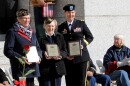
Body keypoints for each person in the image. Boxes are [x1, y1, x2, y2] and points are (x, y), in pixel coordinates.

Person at [57, 4, 94, 86]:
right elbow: (59, 43)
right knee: (70, 82)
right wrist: (65, 55)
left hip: (81, 58)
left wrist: (83, 45)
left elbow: (90, 37)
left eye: (72, 12)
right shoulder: (61, 27)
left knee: (81, 82)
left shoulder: (81, 24)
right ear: (65, 13)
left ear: (75, 12)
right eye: (69, 13)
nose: (71, 15)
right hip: (68, 59)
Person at [4, 8, 42, 86]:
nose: (27, 20)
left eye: (28, 18)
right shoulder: (12, 32)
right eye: (24, 18)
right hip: (21, 71)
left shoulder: (32, 31)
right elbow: (8, 50)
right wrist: (21, 58)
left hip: (32, 68)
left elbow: (37, 47)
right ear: (18, 19)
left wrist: (39, 56)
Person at [38, 18, 67, 86]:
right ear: (44, 26)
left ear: (55, 26)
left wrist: (60, 55)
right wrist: (43, 53)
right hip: (45, 69)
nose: (50, 28)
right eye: (48, 26)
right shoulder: (39, 38)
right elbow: (37, 50)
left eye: (52, 26)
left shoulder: (60, 36)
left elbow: (65, 51)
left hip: (58, 69)